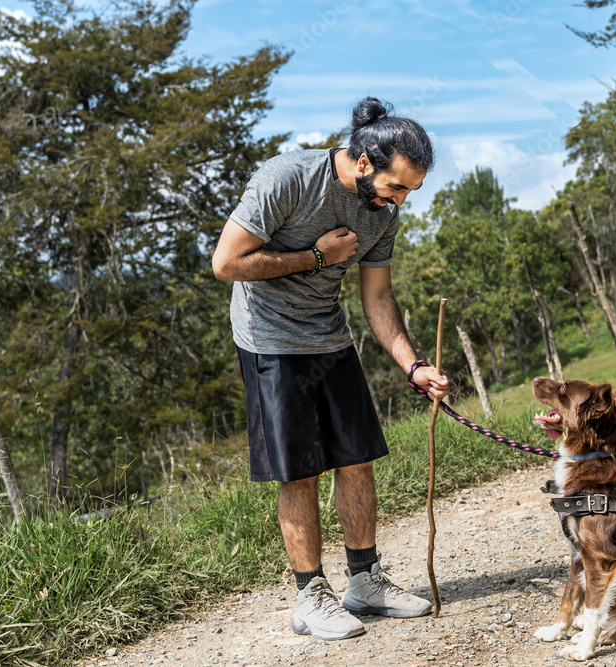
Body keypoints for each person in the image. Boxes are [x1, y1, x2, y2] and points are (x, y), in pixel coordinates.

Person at [211, 97, 449, 641]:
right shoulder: (287, 178)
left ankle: (364, 581)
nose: (402, 201)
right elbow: (226, 264)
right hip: (268, 338)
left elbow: (379, 298)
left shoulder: (382, 215)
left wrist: (414, 367)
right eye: (397, 186)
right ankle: (310, 596)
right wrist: (316, 258)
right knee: (300, 471)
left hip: (328, 333)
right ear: (363, 162)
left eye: (411, 189)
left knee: (357, 456)